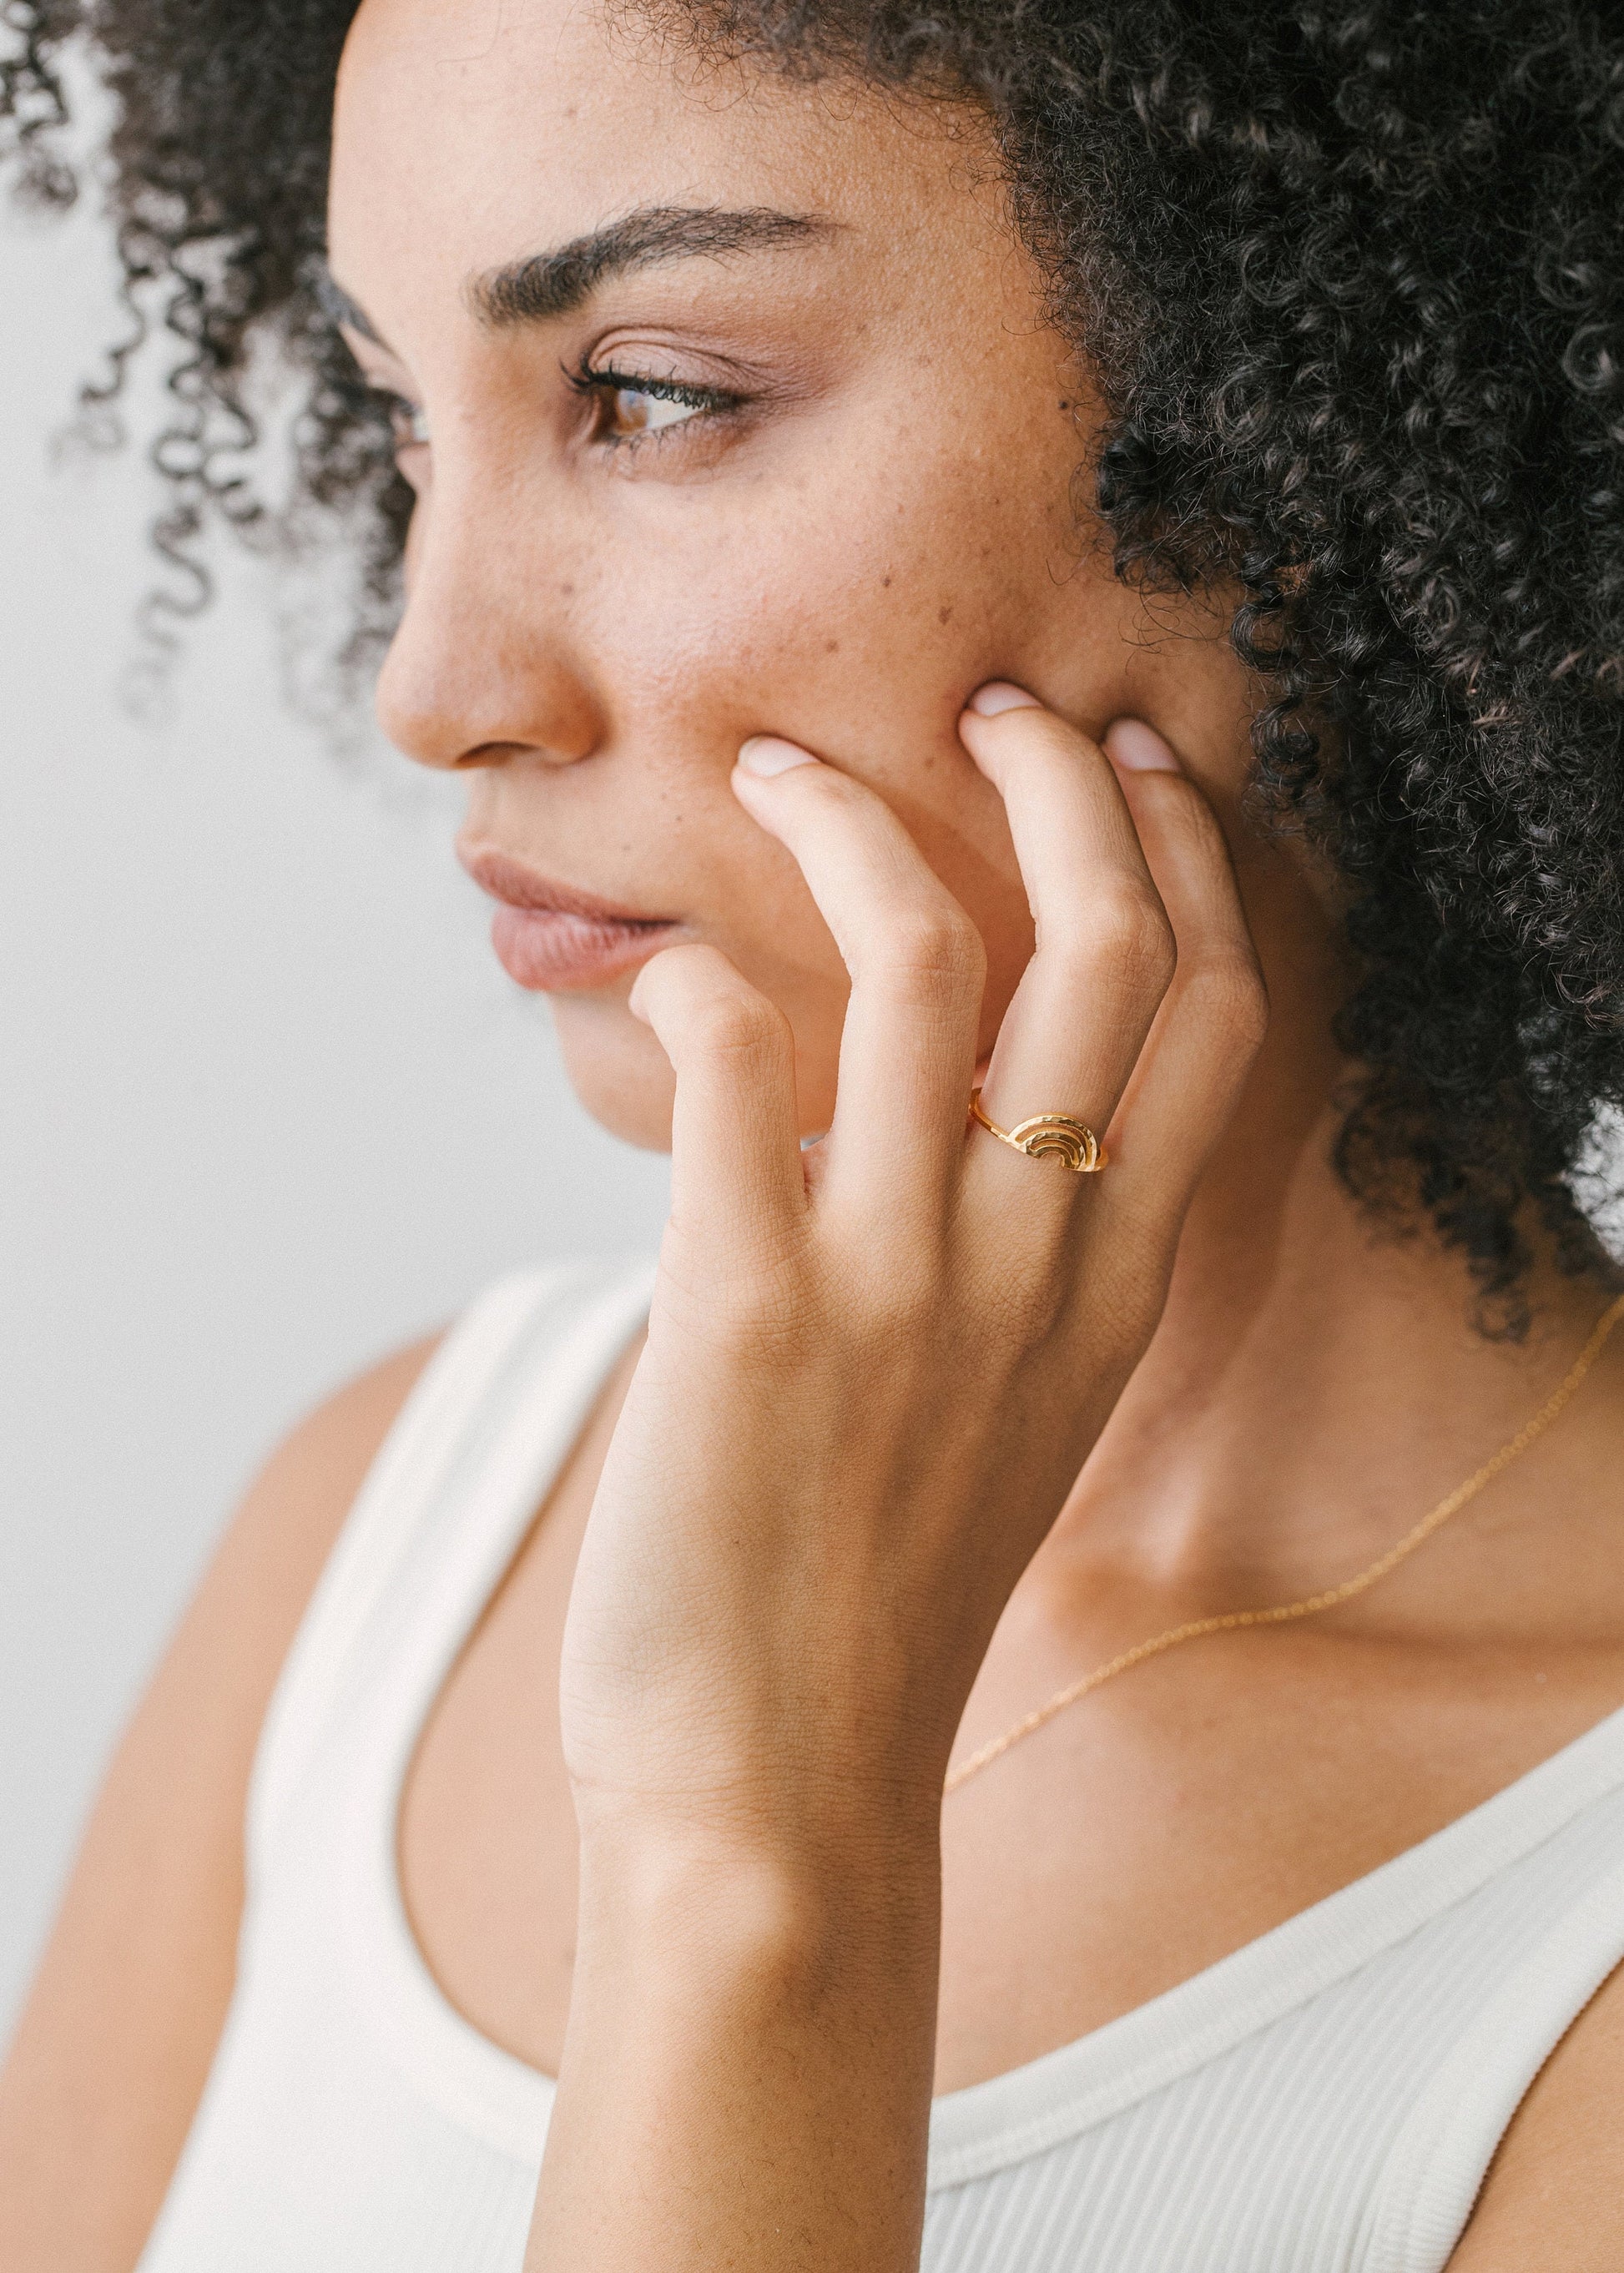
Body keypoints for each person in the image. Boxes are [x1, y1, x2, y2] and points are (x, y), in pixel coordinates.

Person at [4, 1, 1624, 2265]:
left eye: (649, 399)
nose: (438, 680)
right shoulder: (390, 1537)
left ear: (1288, 421)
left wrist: (754, 1851)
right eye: (399, 420)